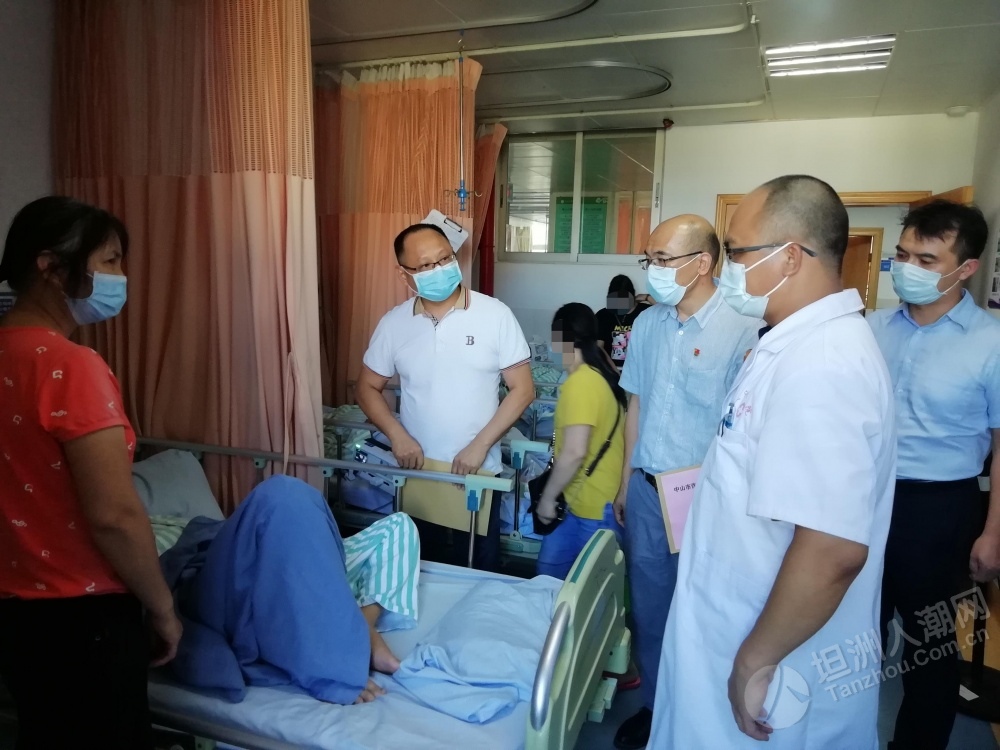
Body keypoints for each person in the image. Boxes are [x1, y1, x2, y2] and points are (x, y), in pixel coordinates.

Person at [649, 176, 896, 749]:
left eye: (737, 252)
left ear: (789, 257)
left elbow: (832, 549)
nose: (728, 267)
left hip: (774, 663)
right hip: (732, 624)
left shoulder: (824, 365)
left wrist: (754, 661)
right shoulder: (786, 344)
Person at [0, 196, 183, 749]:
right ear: (51, 267)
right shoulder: (69, 366)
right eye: (109, 261)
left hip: (17, 612)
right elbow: (114, 515)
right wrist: (163, 609)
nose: (120, 277)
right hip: (84, 618)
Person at [611, 214, 760, 750]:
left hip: (709, 498)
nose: (651, 269)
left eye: (662, 259)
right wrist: (627, 481)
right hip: (650, 492)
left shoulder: (744, 327)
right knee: (651, 611)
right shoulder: (648, 325)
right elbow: (636, 404)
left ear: (702, 263)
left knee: (707, 613)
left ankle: (703, 718)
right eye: (648, 259)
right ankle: (657, 709)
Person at [868, 200, 1000, 750]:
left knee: (931, 648)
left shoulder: (990, 343)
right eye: (903, 255)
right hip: (866, 500)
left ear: (966, 268)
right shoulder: (872, 328)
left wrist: (993, 533)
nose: (908, 269)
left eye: (926, 260)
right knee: (854, 632)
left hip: (941, 512)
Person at [356, 223, 534, 570]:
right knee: (421, 569)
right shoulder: (394, 324)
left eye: (445, 259)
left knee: (478, 572)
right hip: (419, 472)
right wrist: (397, 437)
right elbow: (366, 387)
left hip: (478, 474)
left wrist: (479, 446)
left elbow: (523, 389)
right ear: (404, 273)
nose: (439, 269)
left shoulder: (495, 315)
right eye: (426, 265)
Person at [159, 475, 420, 706]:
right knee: (280, 496)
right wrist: (333, 666)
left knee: (401, 524)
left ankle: (364, 626)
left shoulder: (302, 532)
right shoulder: (243, 552)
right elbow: (261, 619)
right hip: (278, 568)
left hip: (321, 553)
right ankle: (351, 630)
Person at [534, 303, 625, 579]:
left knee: (573, 590)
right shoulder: (602, 376)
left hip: (592, 508)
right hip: (583, 503)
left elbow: (574, 451)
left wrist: (547, 498)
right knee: (553, 579)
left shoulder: (581, 383)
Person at [595, 274, 650, 369]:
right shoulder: (603, 314)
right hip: (611, 369)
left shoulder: (645, 312)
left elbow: (669, 310)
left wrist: (646, 297)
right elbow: (598, 347)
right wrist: (612, 370)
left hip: (640, 370)